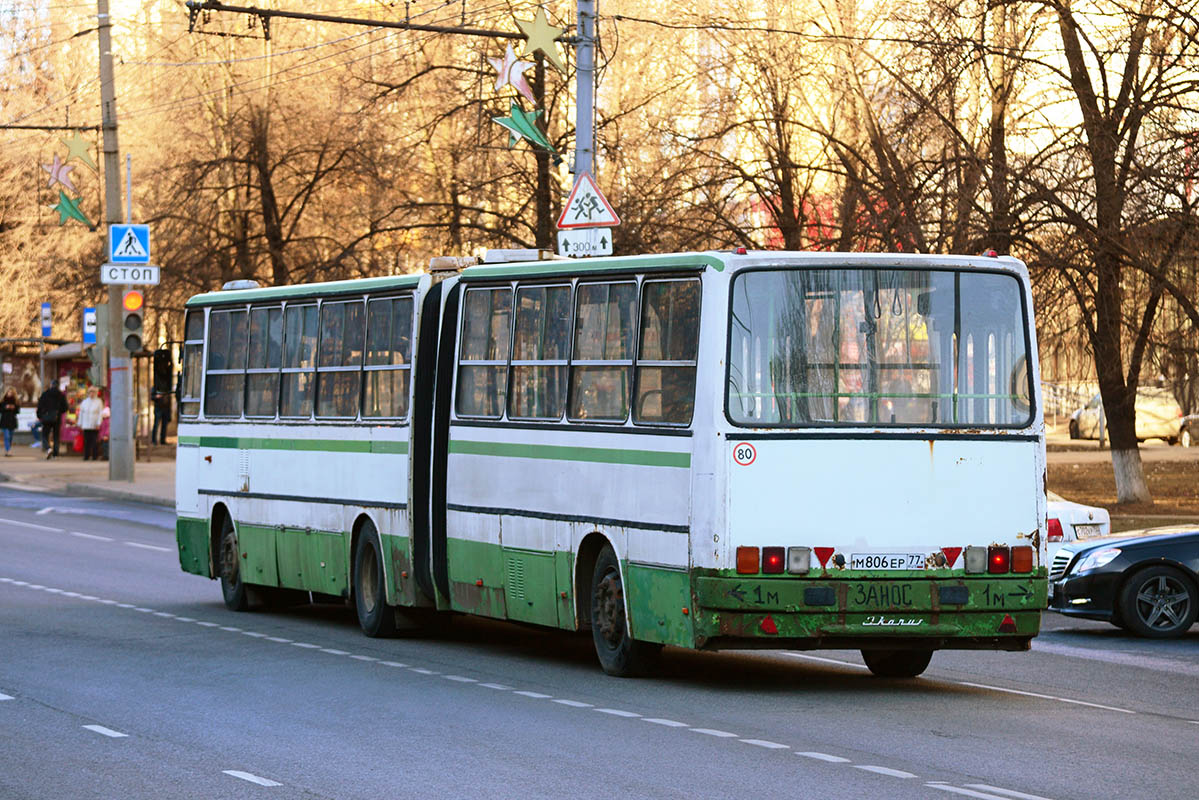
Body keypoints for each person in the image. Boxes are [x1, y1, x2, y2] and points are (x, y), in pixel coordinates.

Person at [36, 381, 68, 459]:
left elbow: (39, 406)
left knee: (44, 435)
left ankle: (48, 448)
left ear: (51, 385)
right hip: (57, 418)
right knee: (56, 436)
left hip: (46, 418)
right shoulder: (61, 395)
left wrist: (40, 416)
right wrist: (59, 412)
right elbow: (65, 407)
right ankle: (55, 454)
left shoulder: (45, 394)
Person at [77, 386, 108, 461]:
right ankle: (86, 456)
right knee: (86, 441)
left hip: (94, 424)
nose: (92, 394)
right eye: (90, 392)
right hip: (86, 424)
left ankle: (95, 456)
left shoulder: (99, 401)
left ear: (96, 393)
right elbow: (81, 413)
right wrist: (80, 423)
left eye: (93, 392)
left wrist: (98, 423)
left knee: (94, 441)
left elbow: (100, 413)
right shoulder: (85, 402)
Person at [0, 388, 19, 456]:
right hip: (4, 421)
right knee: (7, 436)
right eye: (8, 392)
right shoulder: (2, 401)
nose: (9, 393)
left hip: (12, 421)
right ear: (6, 392)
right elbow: (1, 410)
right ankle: (8, 451)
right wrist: (6, 407)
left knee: (10, 437)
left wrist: (14, 408)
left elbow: (18, 411)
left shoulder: (15, 401)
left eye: (11, 392)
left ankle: (7, 449)